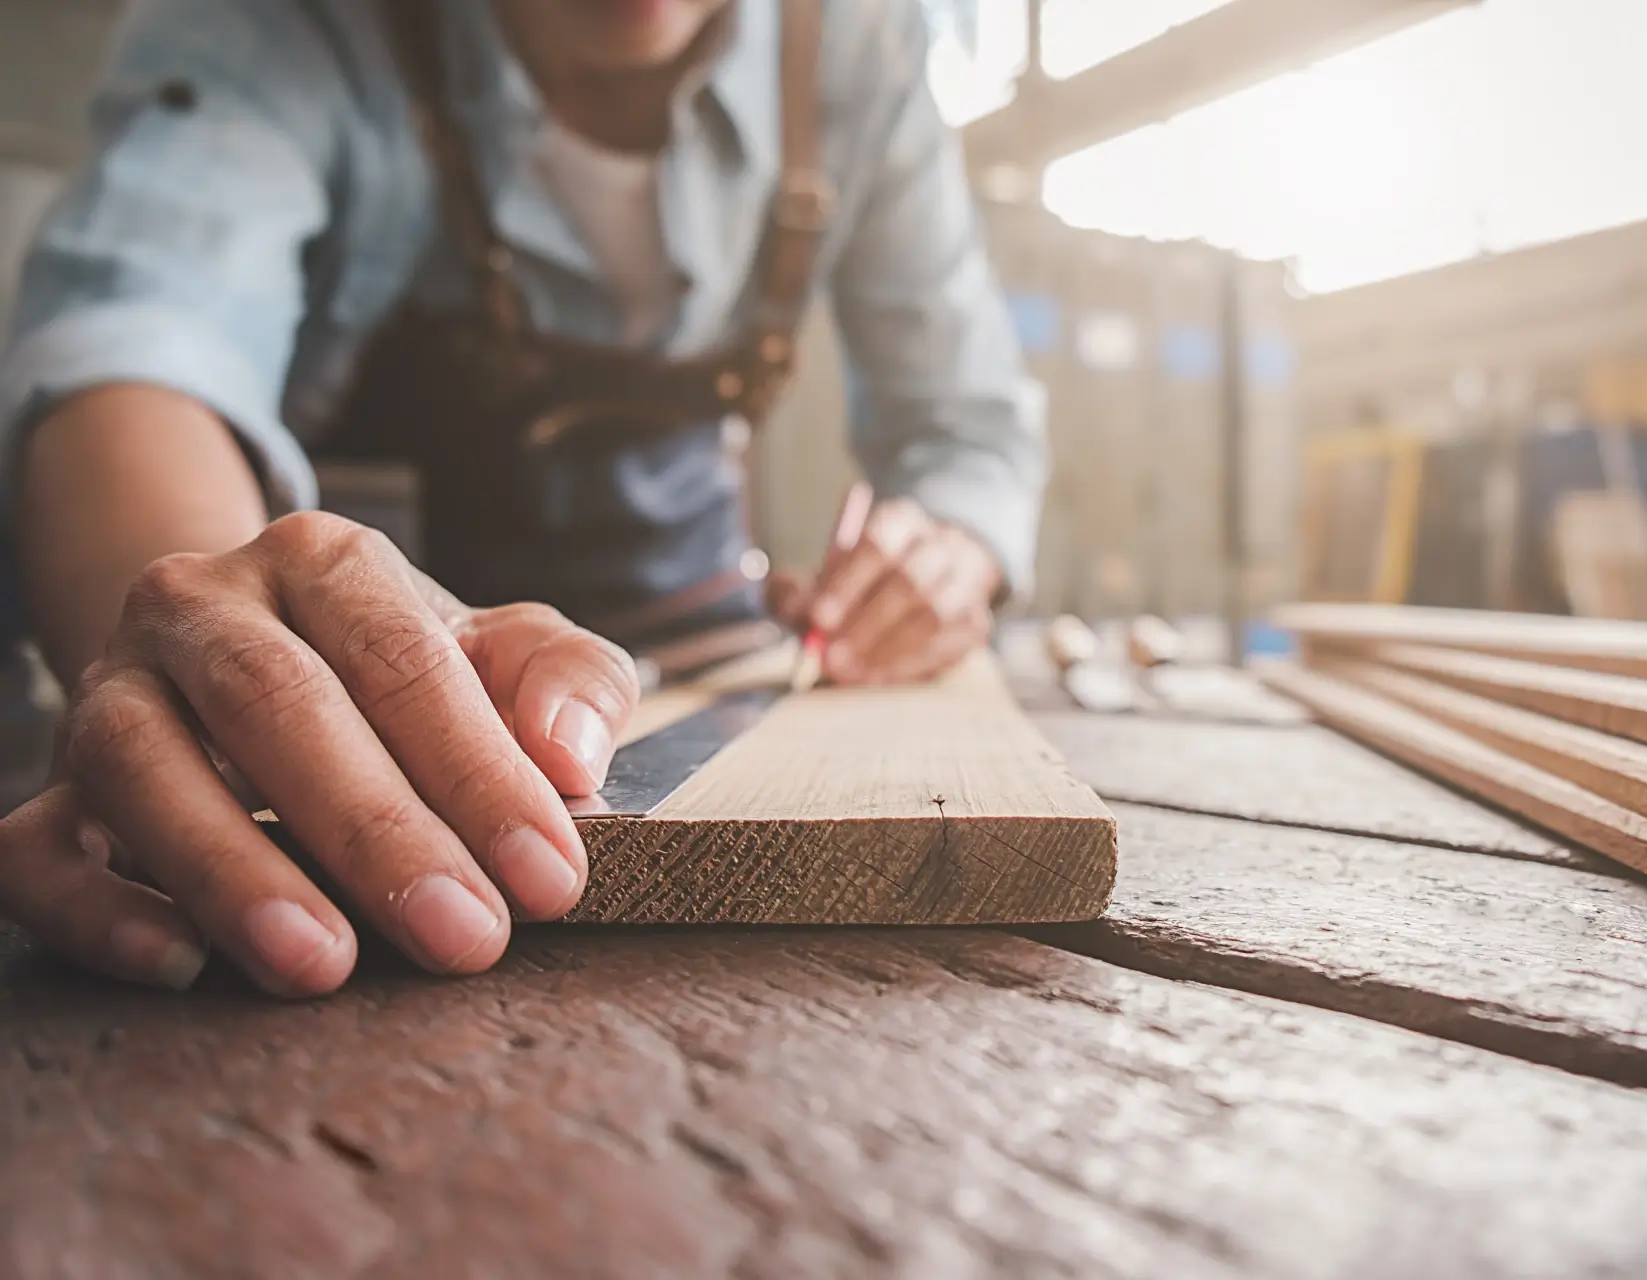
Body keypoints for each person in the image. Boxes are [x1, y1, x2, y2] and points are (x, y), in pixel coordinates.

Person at [0, 0, 1043, 997]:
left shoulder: (860, 35)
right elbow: (140, 343)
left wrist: (952, 547)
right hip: (392, 683)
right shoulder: (291, 25)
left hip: (714, 651)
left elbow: (966, 429)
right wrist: (230, 663)